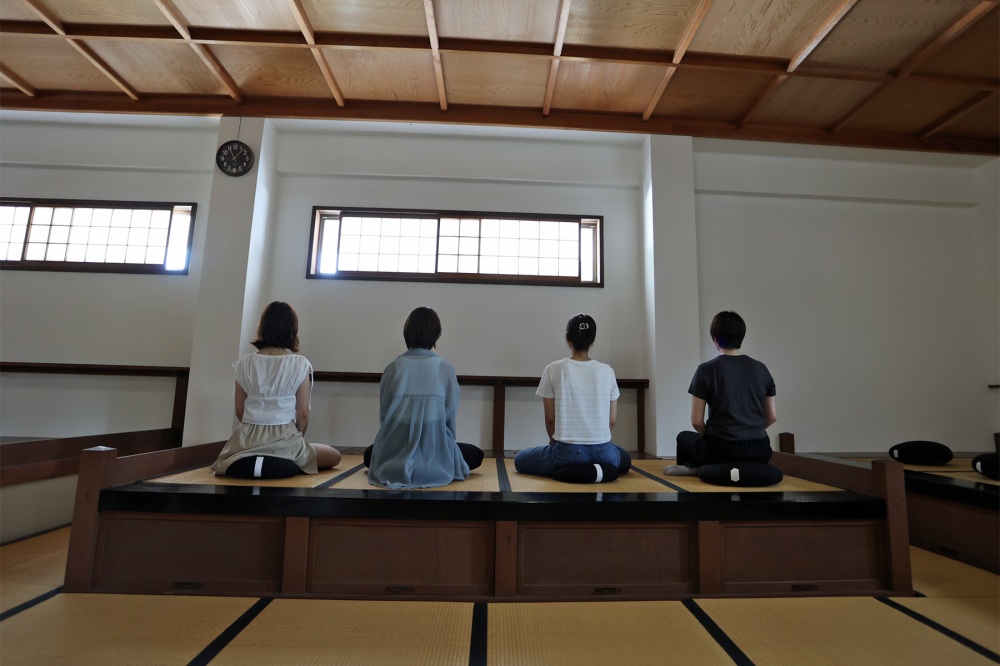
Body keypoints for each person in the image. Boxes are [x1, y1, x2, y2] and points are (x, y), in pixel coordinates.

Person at [212, 301, 341, 478]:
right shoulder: (299, 363)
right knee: (335, 456)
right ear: (293, 329)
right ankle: (286, 463)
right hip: (285, 437)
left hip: (246, 439)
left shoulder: (244, 363)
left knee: (231, 461)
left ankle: (266, 463)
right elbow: (303, 413)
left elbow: (239, 410)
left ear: (263, 327)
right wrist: (296, 439)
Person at [364, 307, 483, 488]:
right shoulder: (445, 368)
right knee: (475, 454)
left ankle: (399, 466)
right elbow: (449, 419)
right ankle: (428, 466)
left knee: (369, 454)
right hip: (434, 455)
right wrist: (445, 446)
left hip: (396, 454)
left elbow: (385, 417)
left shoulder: (392, 368)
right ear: (437, 335)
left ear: (407, 332)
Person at [514, 313, 631, 480]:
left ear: (567, 338)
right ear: (593, 340)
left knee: (520, 460)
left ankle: (568, 470)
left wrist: (555, 443)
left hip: (567, 452)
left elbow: (550, 420)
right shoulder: (608, 371)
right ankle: (599, 469)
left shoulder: (553, 369)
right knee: (624, 458)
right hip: (603, 452)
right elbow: (611, 421)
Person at [666, 310, 776, 476]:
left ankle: (697, 468)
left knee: (683, 438)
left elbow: (696, 421)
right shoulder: (761, 368)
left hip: (720, 448)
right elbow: (772, 416)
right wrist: (750, 432)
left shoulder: (706, 370)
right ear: (741, 337)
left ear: (715, 339)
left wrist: (711, 437)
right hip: (759, 449)